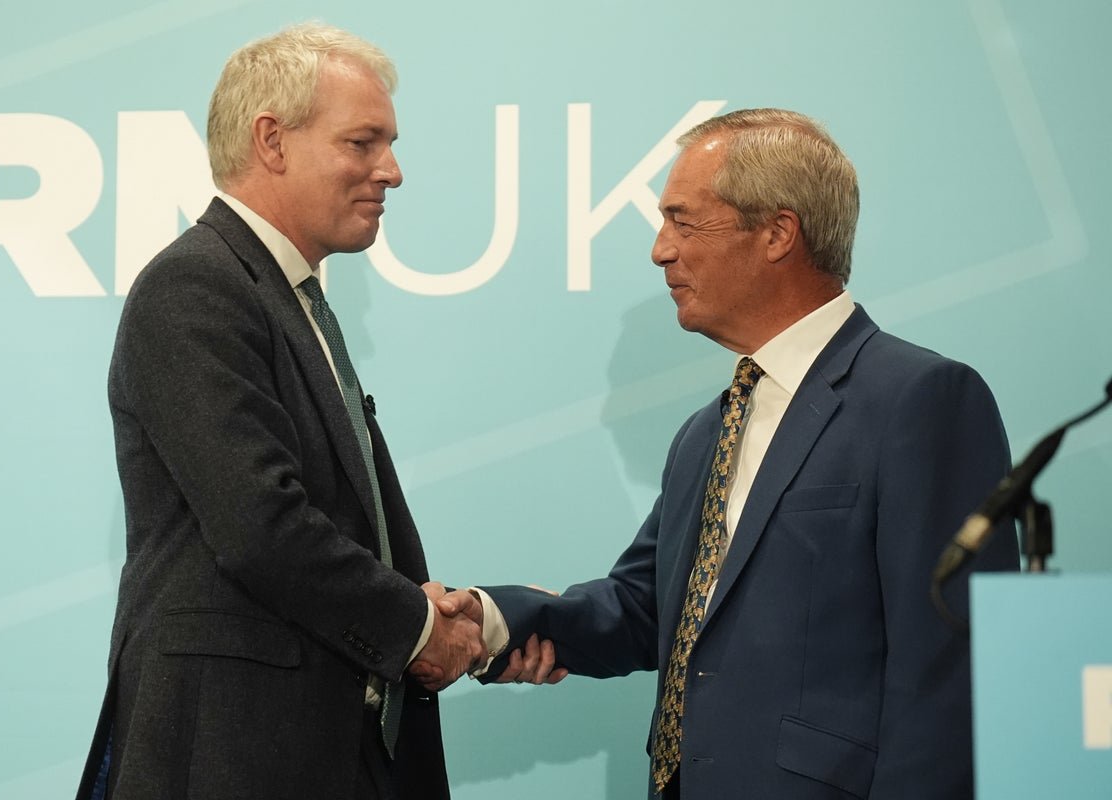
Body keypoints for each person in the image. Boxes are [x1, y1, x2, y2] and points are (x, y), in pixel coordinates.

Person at [421, 108, 1021, 798]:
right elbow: (645, 608)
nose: (660, 249)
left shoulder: (922, 400)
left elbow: (949, 673)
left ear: (777, 233)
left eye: (684, 221)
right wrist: (489, 620)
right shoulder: (707, 431)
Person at [75, 22, 484, 800]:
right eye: (363, 142)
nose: (391, 171)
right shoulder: (197, 285)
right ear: (272, 140)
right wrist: (414, 627)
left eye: (388, 144)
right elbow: (262, 524)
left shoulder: (286, 296)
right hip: (238, 755)